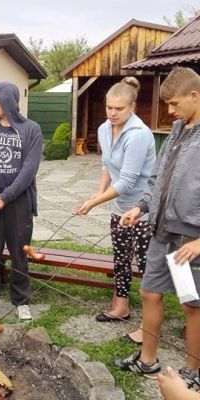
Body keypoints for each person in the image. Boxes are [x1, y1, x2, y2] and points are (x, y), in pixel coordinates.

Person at [112, 67, 200, 389]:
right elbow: (157, 179)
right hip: (161, 231)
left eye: (175, 104)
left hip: (191, 238)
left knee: (192, 305)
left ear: (194, 95)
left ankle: (194, 372)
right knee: (149, 292)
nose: (171, 111)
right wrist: (141, 207)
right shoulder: (176, 132)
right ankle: (148, 360)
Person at [74, 77, 156, 344]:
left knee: (145, 266)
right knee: (120, 260)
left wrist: (93, 203)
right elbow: (106, 166)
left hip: (142, 209)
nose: (112, 113)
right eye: (109, 107)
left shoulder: (139, 135)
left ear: (132, 107)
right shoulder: (103, 129)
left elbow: (129, 180)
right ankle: (121, 306)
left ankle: (149, 323)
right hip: (119, 206)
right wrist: (100, 194)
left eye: (118, 108)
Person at [0, 81, 42, 321]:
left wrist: (6, 196)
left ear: (9, 100)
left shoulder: (31, 129)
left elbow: (29, 170)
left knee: (19, 253)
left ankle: (21, 299)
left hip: (19, 203)